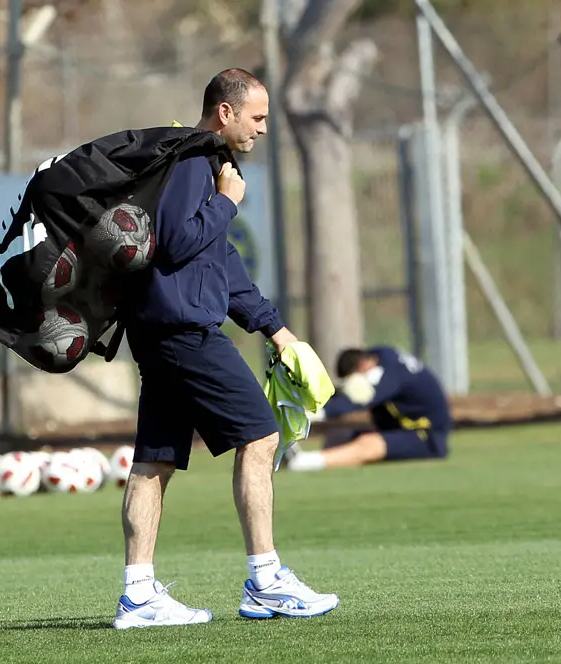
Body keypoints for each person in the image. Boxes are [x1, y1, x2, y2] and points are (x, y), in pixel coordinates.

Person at [112, 69, 340, 630]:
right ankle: (265, 581)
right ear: (225, 113)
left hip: (161, 332)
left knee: (155, 460)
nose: (263, 129)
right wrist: (228, 202)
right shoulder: (194, 161)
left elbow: (220, 264)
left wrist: (277, 331)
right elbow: (177, 241)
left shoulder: (201, 165)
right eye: (258, 117)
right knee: (261, 436)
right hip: (185, 332)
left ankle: (137, 595)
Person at [286, 346, 451, 471]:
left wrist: (311, 414)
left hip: (427, 437)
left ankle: (301, 462)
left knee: (368, 443)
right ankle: (287, 455)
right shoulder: (380, 357)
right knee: (337, 437)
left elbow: (356, 401)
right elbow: (343, 397)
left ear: (363, 366)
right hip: (400, 430)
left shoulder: (389, 375)